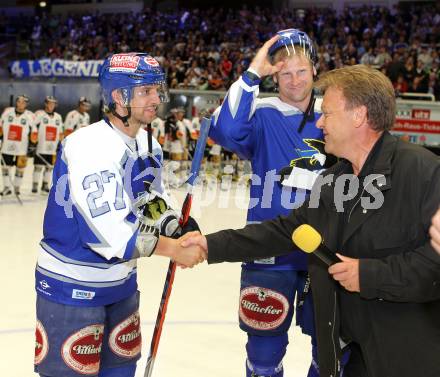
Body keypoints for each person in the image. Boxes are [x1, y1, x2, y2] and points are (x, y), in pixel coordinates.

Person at [182, 65, 440, 377]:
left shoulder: (424, 172)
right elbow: (286, 231)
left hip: (406, 353)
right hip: (351, 353)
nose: (319, 123)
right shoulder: (333, 180)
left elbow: (433, 265)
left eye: (327, 114)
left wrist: (369, 275)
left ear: (358, 116)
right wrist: (209, 245)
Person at [34, 53, 206, 377]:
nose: (156, 98)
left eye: (157, 89)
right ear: (118, 97)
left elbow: (149, 199)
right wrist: (174, 249)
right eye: (145, 91)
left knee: (122, 370)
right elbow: (111, 235)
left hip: (122, 284)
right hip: (73, 285)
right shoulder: (87, 146)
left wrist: (176, 225)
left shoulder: (146, 143)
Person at [209, 29, 327, 377]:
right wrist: (254, 71)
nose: (293, 80)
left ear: (315, 71)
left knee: (330, 352)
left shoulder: (332, 113)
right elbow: (226, 131)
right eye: (284, 72)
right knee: (263, 355)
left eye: (301, 71)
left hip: (324, 252)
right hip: (268, 250)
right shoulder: (260, 114)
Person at [0, 94, 36, 196]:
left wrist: (32, 145)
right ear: (16, 102)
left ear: (26, 104)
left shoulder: (30, 115)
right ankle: (7, 187)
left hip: (22, 148)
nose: (21, 104)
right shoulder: (7, 112)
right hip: (7, 146)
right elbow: (0, 127)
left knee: (20, 168)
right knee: (5, 167)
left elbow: (34, 132)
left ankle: (16, 188)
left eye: (24, 102)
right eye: (19, 101)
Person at [32, 95, 64, 193]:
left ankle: (45, 185)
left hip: (52, 147)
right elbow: (32, 126)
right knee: (38, 166)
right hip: (41, 146)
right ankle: (35, 185)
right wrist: (33, 141)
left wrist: (60, 144)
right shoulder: (39, 114)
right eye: (49, 103)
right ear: (46, 103)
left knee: (49, 167)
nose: (51, 105)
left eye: (53, 103)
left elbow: (61, 132)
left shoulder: (58, 117)